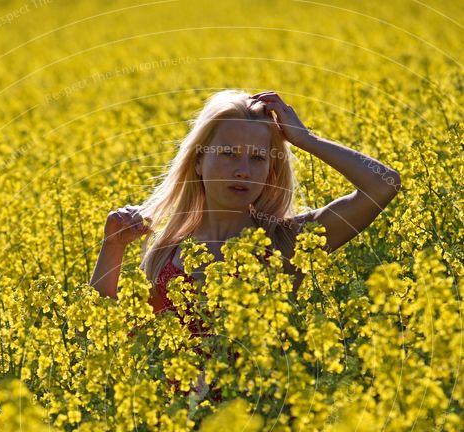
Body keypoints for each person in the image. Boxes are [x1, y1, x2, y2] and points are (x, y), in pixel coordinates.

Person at [89, 88, 401, 402]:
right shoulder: (166, 253)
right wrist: (113, 247)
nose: (243, 170)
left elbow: (383, 183)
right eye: (228, 153)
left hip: (259, 431)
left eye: (258, 158)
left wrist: (306, 140)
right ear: (199, 161)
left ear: (270, 171)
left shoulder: (287, 243)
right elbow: (103, 341)